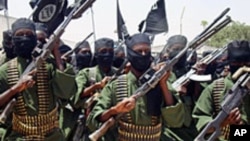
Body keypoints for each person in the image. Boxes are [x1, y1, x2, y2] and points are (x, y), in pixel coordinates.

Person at [87, 33, 185, 141]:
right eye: (139, 51)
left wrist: (163, 84)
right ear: (129, 54)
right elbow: (92, 121)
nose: (143, 54)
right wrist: (115, 110)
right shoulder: (116, 85)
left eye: (146, 51)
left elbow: (176, 121)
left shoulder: (160, 83)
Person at [0, 18, 77, 141]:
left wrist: (55, 50)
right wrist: (16, 88)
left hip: (52, 136)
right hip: (20, 136)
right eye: (20, 35)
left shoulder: (49, 65)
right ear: (13, 40)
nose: (24, 37)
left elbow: (66, 92)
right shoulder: (5, 71)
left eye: (29, 34)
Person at [192, 40, 250, 140]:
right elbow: (201, 122)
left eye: (246, 63)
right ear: (229, 62)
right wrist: (224, 122)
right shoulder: (215, 88)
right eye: (236, 62)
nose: (242, 67)